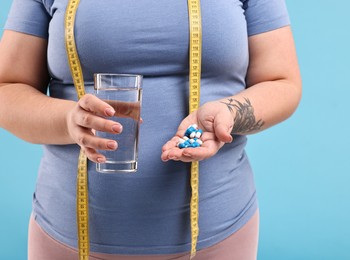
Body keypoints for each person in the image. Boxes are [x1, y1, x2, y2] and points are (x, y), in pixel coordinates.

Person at [0, 0, 301, 259]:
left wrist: (229, 114)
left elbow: (282, 83)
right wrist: (69, 120)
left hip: (220, 234)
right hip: (68, 236)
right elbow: (7, 89)